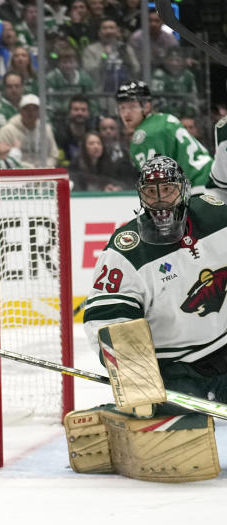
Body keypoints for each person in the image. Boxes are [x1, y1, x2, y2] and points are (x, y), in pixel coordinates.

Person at [75, 156, 227, 476]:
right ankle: (119, 416)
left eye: (168, 189)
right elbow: (108, 318)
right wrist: (134, 380)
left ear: (184, 190)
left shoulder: (219, 216)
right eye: (152, 191)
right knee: (180, 438)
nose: (160, 200)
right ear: (140, 195)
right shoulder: (126, 249)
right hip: (174, 368)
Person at [115, 81, 212, 190]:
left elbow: (157, 186)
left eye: (132, 106)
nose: (126, 113)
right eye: (122, 108)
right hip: (213, 175)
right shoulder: (165, 118)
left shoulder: (144, 135)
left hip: (199, 187)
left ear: (146, 106)